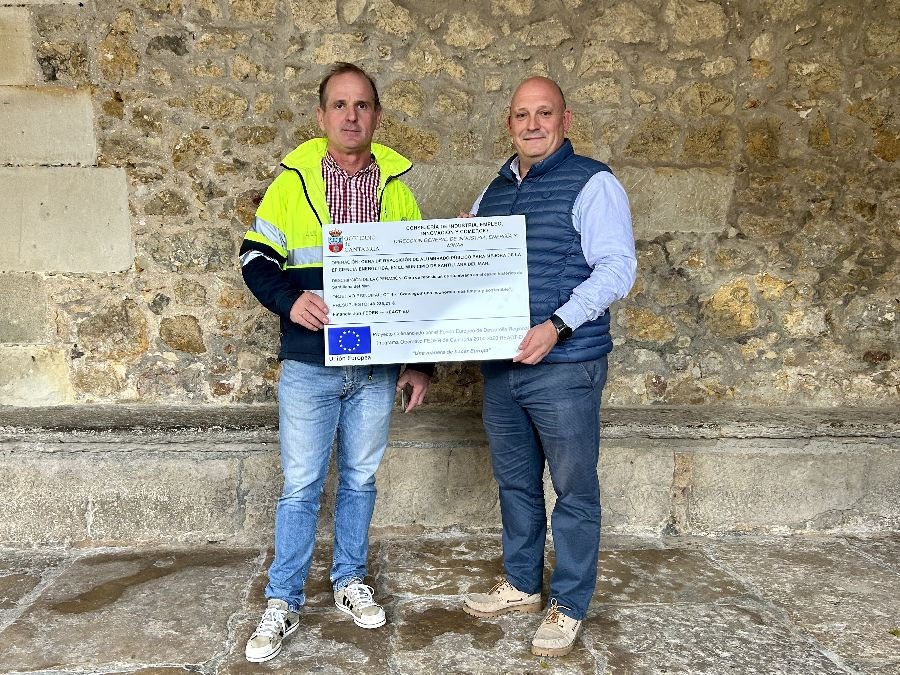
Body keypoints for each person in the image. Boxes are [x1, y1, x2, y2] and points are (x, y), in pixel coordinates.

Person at [239, 62, 432, 663]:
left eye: (362, 105)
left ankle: (349, 580)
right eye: (340, 105)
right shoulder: (290, 186)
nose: (351, 116)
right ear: (321, 116)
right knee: (300, 485)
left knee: (360, 479)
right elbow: (254, 259)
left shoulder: (398, 191)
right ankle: (283, 599)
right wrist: (289, 300)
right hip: (310, 364)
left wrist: (421, 364)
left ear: (376, 115)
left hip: (375, 366)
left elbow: (421, 283)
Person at [461, 76, 636, 657]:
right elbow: (475, 271)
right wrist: (460, 242)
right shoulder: (494, 189)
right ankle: (521, 583)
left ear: (565, 119)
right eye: (521, 115)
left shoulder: (594, 182)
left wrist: (557, 325)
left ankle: (570, 603)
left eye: (544, 113)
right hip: (502, 365)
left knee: (574, 489)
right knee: (515, 482)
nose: (532, 124)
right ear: (509, 124)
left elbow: (617, 269)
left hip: (565, 366)